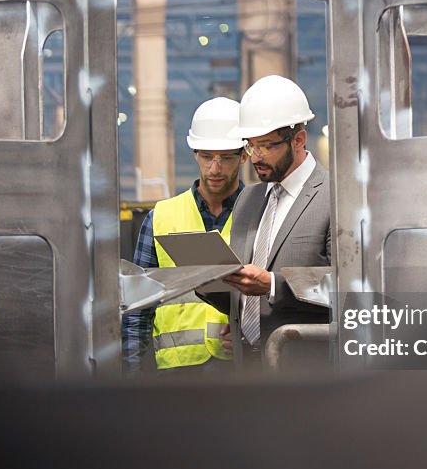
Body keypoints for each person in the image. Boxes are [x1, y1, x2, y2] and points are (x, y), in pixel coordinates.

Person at [202, 75, 331, 368]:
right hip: (246, 365)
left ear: (298, 139)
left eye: (265, 146)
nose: (255, 157)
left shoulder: (334, 196)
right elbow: (245, 288)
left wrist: (274, 285)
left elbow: (352, 288)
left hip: (305, 370)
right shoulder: (249, 199)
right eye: (250, 147)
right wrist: (213, 286)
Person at [121, 97, 246, 374]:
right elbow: (137, 310)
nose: (215, 168)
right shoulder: (161, 217)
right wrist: (133, 380)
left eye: (226, 157)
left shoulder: (262, 215)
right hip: (174, 376)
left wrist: (249, 341)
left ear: (244, 155)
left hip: (240, 373)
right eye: (206, 156)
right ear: (194, 153)